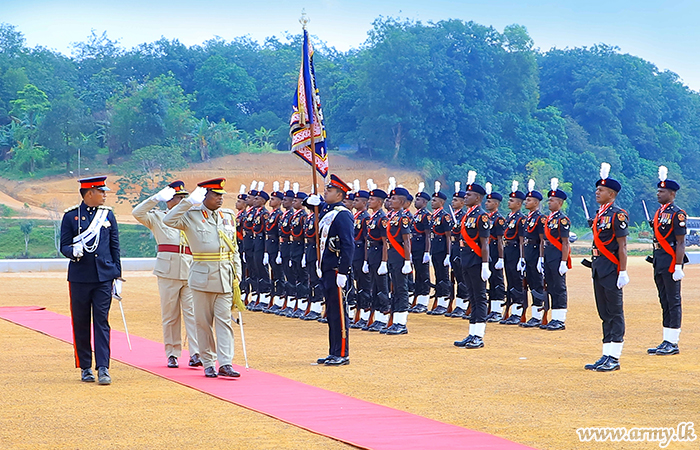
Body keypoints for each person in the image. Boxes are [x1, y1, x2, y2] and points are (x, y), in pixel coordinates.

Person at [163, 178, 242, 379]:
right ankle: (208, 362)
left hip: (225, 276)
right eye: (215, 195)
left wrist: (237, 274)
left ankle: (225, 362)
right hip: (202, 277)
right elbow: (168, 220)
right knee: (203, 323)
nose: (220, 199)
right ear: (204, 196)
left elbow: (234, 248)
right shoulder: (191, 215)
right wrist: (189, 201)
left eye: (221, 195)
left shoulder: (228, 215)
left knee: (224, 322)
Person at [131, 180, 201, 368]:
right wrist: (154, 199)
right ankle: (172, 353)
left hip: (190, 270)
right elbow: (137, 213)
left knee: (193, 314)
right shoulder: (157, 217)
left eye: (183, 198)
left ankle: (196, 353)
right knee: (170, 315)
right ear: (167, 201)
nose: (180, 201)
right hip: (168, 271)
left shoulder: (190, 218)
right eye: (176, 198)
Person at [60, 176, 122, 385]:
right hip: (79, 278)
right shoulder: (71, 217)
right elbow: (64, 246)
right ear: (89, 193)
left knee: (102, 322)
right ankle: (85, 366)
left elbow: (115, 247)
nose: (105, 195)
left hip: (103, 277)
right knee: (81, 322)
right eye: (101, 191)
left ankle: (103, 367)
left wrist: (118, 275)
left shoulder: (108, 215)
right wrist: (72, 251)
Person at [585, 163, 629, 372]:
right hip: (598, 266)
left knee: (615, 311)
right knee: (604, 312)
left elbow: (622, 245)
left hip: (611, 267)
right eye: (597, 189)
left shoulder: (617, 215)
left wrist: (622, 271)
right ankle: (606, 353)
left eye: (601, 190)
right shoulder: (600, 215)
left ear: (611, 194)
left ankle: (615, 356)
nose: (597, 192)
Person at [308, 174, 355, 366]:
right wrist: (309, 202)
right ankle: (333, 351)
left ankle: (342, 353)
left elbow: (348, 245)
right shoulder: (329, 211)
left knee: (339, 313)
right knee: (331, 313)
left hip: (337, 270)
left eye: (329, 190)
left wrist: (344, 271)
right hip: (327, 269)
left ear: (339, 194)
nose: (325, 193)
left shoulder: (343, 214)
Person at [648, 166, 686, 356]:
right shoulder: (659, 212)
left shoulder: (677, 213)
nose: (658, 193)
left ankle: (674, 342)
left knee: (673, 300)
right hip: (659, 259)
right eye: (658, 190)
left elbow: (680, 242)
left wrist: (678, 266)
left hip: (671, 260)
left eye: (662, 191)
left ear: (671, 193)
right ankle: (666, 339)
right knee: (664, 300)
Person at [453, 171, 491, 349]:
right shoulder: (468, 215)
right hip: (466, 259)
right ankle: (472, 332)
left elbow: (484, 243)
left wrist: (485, 264)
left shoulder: (481, 216)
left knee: (480, 297)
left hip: (476, 260)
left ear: (478, 198)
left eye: (468, 195)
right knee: (472, 298)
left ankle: (479, 336)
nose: (465, 197)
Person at [542, 178, 571, 331]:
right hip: (548, 255)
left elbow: (565, 242)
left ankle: (560, 319)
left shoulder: (562, 220)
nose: (549, 203)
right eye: (549, 200)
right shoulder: (548, 219)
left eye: (552, 200)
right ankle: (554, 316)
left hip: (558, 255)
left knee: (559, 287)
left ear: (559, 203)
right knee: (551, 286)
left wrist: (563, 261)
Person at [383, 186, 413, 335]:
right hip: (392, 257)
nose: (390, 201)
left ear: (401, 201)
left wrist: (408, 261)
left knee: (402, 289)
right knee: (394, 290)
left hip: (401, 257)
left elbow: (406, 241)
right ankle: (395, 321)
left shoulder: (404, 217)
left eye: (393, 198)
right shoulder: (391, 217)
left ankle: (401, 323)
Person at [418, 181, 451, 314]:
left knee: (444, 276)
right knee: (437, 275)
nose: (432, 202)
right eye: (432, 200)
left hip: (443, 249)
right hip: (435, 250)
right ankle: (439, 302)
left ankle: (444, 303)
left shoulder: (445, 216)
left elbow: (448, 236)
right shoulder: (433, 216)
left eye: (435, 200)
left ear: (442, 202)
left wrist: (448, 254)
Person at [364, 186, 391, 331]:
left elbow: (385, 242)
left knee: (382, 288)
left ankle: (384, 318)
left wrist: (384, 262)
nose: (369, 201)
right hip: (372, 253)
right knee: (373, 287)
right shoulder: (373, 218)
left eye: (372, 199)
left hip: (380, 252)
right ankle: (377, 318)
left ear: (380, 202)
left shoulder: (382, 219)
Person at [520, 180, 546, 328]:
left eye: (529, 200)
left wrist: (541, 258)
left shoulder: (540, 218)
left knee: (537, 284)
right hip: (528, 254)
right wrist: (522, 258)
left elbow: (542, 240)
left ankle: (537, 315)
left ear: (536, 202)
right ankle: (532, 314)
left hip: (536, 253)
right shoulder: (527, 218)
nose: (526, 202)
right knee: (528, 283)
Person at [500, 181, 527, 324]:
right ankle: (510, 310)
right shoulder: (509, 217)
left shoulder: (521, 219)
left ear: (519, 203)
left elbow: (522, 240)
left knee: (517, 281)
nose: (508, 202)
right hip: (507, 250)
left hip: (516, 251)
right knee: (509, 280)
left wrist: (521, 258)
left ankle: (517, 312)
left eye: (512, 201)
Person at [441, 183, 468, 317]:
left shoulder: (464, 216)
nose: (453, 202)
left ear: (463, 202)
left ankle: (463, 304)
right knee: (456, 275)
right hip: (453, 246)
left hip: (461, 246)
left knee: (462, 277)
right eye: (453, 199)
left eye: (456, 200)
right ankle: (458, 303)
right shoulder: (451, 216)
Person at [349, 184, 371, 327]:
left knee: (364, 286)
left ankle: (364, 315)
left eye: (357, 201)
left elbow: (366, 240)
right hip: (354, 254)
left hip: (361, 253)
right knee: (356, 285)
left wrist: (365, 259)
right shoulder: (354, 216)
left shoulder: (366, 217)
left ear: (364, 203)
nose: (354, 203)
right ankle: (356, 314)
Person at [483, 183, 506, 323]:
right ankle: (490, 308)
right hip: (487, 252)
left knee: (496, 281)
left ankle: (497, 310)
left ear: (496, 204)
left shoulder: (499, 219)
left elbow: (500, 240)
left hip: (496, 252)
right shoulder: (486, 217)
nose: (486, 203)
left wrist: (501, 258)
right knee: (487, 281)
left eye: (489, 201)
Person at [263, 182, 285, 312]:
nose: (270, 201)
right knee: (273, 274)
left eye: (273, 199)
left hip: (277, 246)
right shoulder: (271, 215)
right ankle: (274, 298)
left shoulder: (279, 215)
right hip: (270, 246)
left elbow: (279, 234)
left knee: (279, 274)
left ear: (279, 202)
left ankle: (280, 299)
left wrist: (279, 252)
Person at [410, 183, 432, 314]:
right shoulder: (416, 214)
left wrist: (427, 252)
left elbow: (428, 234)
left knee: (423, 275)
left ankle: (423, 302)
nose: (415, 202)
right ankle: (418, 300)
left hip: (422, 246)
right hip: (415, 248)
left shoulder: (426, 215)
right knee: (417, 274)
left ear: (424, 202)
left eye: (418, 200)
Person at [250, 184, 271, 310]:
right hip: (254, 242)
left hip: (261, 243)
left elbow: (266, 233)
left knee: (262, 270)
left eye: (257, 199)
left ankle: (265, 297)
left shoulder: (264, 214)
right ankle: (258, 296)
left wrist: (265, 251)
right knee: (256, 268)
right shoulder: (256, 213)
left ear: (263, 201)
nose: (254, 200)